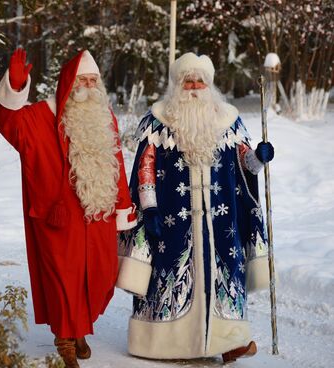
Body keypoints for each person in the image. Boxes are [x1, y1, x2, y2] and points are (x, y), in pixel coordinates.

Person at [116, 52, 275, 363]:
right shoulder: (158, 119)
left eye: (200, 81)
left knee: (223, 278)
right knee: (172, 277)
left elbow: (246, 165)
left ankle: (230, 342)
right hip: (173, 218)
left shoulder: (228, 120)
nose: (194, 86)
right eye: (188, 80)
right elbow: (145, 166)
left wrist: (260, 156)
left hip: (220, 220)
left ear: (209, 85)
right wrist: (149, 208)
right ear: (177, 84)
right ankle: (164, 344)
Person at [0, 48, 137, 367]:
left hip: (98, 213)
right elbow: (11, 124)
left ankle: (79, 328)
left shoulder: (105, 117)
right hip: (60, 215)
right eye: (81, 80)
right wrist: (15, 88)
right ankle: (65, 338)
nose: (87, 86)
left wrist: (122, 206)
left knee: (99, 276)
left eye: (92, 80)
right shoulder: (43, 114)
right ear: (69, 83)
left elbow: (117, 161)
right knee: (65, 276)